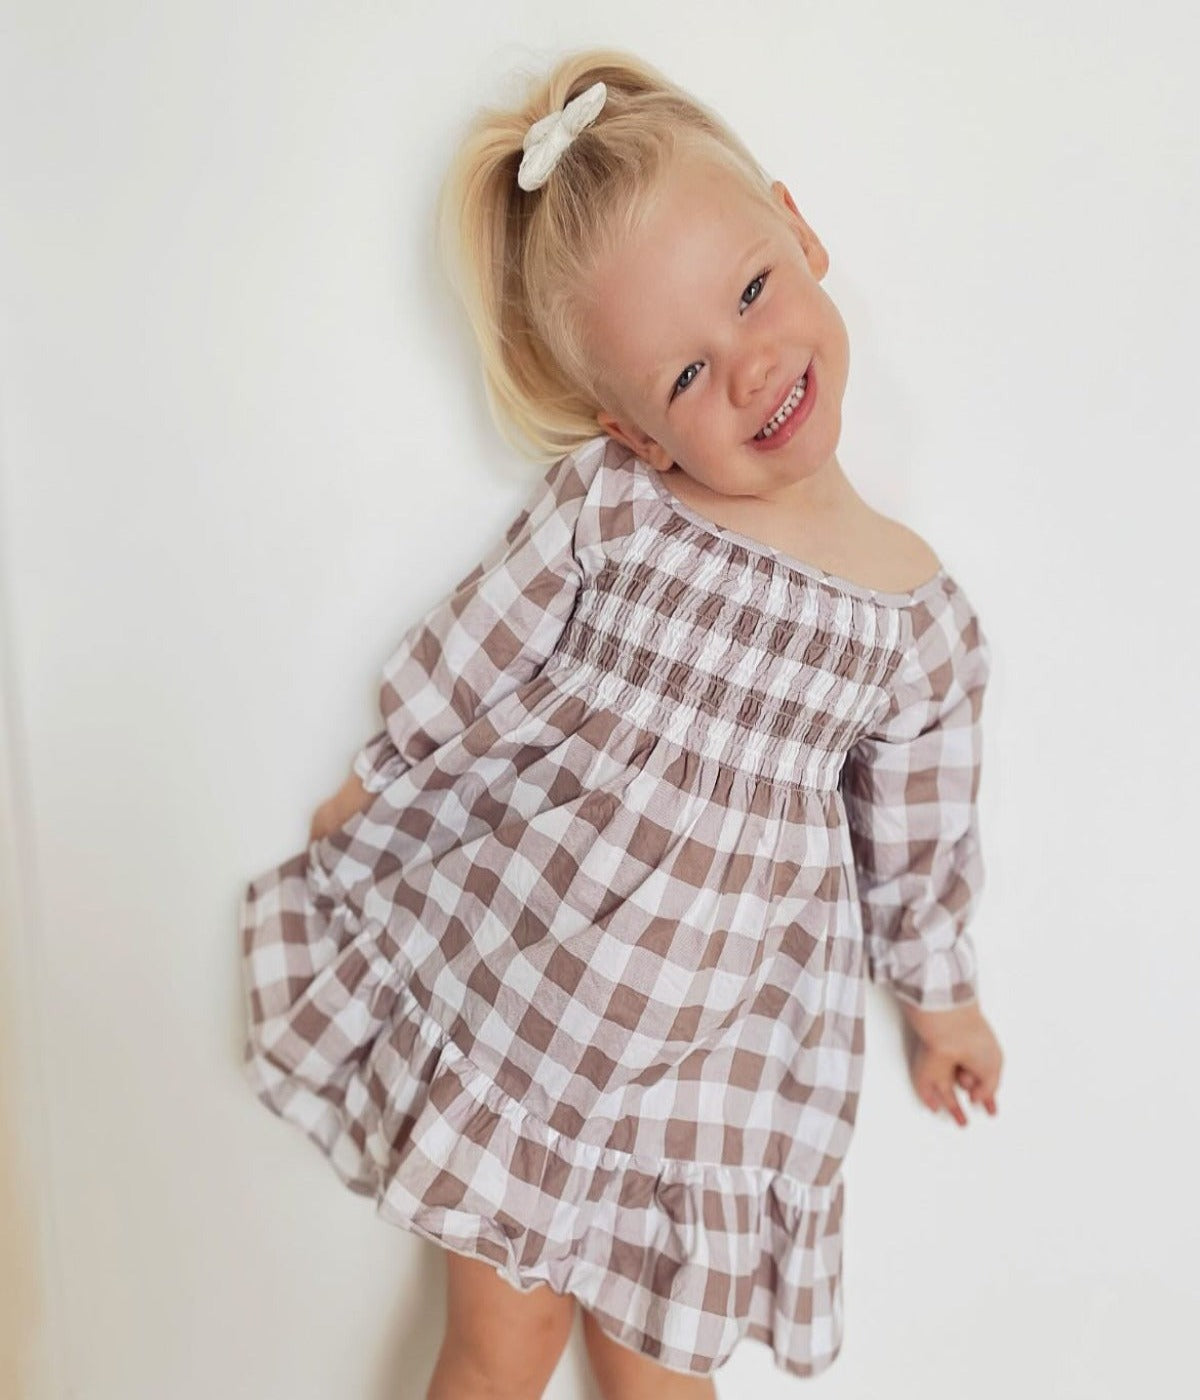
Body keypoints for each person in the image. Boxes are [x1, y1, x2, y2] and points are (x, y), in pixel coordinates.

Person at [238, 45, 1004, 1399]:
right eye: (687, 377)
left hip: (718, 1070)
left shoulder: (916, 619)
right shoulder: (621, 507)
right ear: (638, 431)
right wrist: (383, 779)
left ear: (799, 229)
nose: (750, 368)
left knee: (660, 1382)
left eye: (753, 291)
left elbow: (918, 839)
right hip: (535, 1005)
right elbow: (479, 646)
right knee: (503, 1345)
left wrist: (941, 1001)